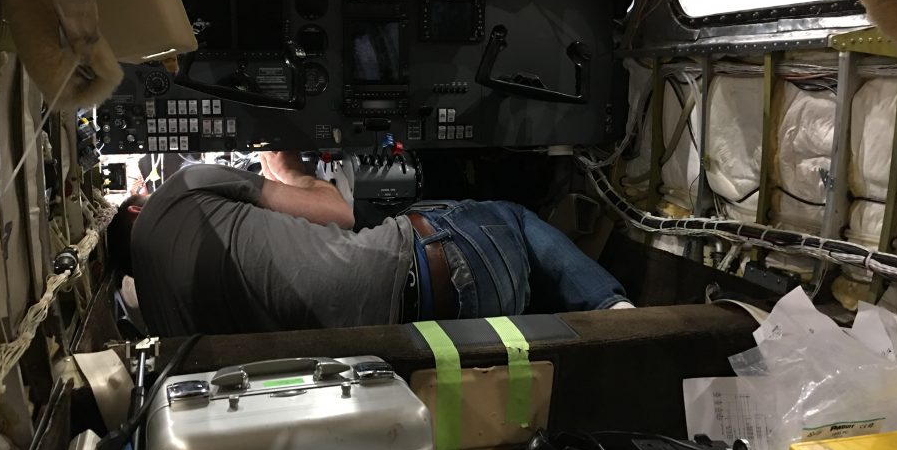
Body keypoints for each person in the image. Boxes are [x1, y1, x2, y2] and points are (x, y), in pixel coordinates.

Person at [107, 153, 631, 337]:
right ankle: (615, 312)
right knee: (510, 216)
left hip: (411, 345)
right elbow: (339, 212)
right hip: (459, 272)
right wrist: (286, 171)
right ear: (137, 207)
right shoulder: (183, 188)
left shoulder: (160, 319)